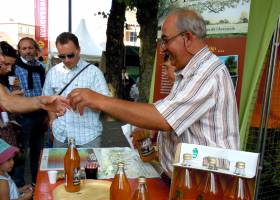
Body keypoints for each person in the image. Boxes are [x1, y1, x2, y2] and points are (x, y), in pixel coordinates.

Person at [67, 8, 240, 178]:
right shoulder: (191, 71)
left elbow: (164, 118)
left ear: (187, 38)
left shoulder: (207, 73)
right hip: (186, 183)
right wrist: (152, 128)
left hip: (205, 188)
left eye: (165, 40)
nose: (163, 48)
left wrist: (98, 100)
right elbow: (173, 114)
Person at [42, 32, 109, 148]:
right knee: (60, 166)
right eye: (62, 56)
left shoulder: (94, 72)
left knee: (88, 167)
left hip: (88, 136)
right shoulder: (53, 72)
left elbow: (106, 103)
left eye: (70, 55)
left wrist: (87, 100)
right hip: (61, 135)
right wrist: (52, 123)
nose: (66, 60)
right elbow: (47, 100)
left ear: (78, 50)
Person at [13, 37, 48, 185]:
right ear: (19, 50)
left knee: (37, 153)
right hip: (23, 117)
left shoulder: (41, 66)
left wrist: (47, 113)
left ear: (35, 49)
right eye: (24, 48)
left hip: (40, 115)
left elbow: (46, 90)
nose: (27, 51)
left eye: (30, 48)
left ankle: (36, 182)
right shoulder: (14, 66)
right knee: (20, 153)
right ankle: (19, 185)